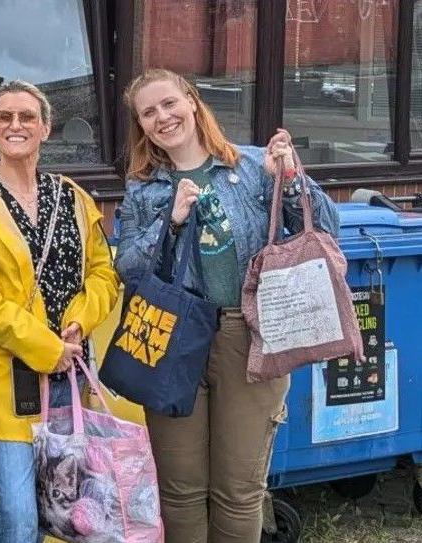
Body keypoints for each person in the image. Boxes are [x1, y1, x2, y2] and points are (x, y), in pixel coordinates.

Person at [116, 68, 340, 542]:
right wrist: (169, 223)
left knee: (239, 491)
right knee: (179, 490)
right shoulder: (144, 186)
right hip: (174, 337)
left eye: (169, 104)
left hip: (249, 335)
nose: (163, 117)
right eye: (149, 113)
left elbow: (325, 227)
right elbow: (128, 268)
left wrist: (293, 179)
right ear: (141, 125)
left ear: (192, 103)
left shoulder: (254, 165)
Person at [0, 80, 120, 543]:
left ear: (46, 128)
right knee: (20, 515)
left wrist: (80, 321)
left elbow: (104, 272)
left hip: (72, 376)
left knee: (71, 510)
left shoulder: (74, 197)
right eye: (5, 117)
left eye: (26, 117)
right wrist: (47, 347)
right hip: (9, 380)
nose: (15, 125)